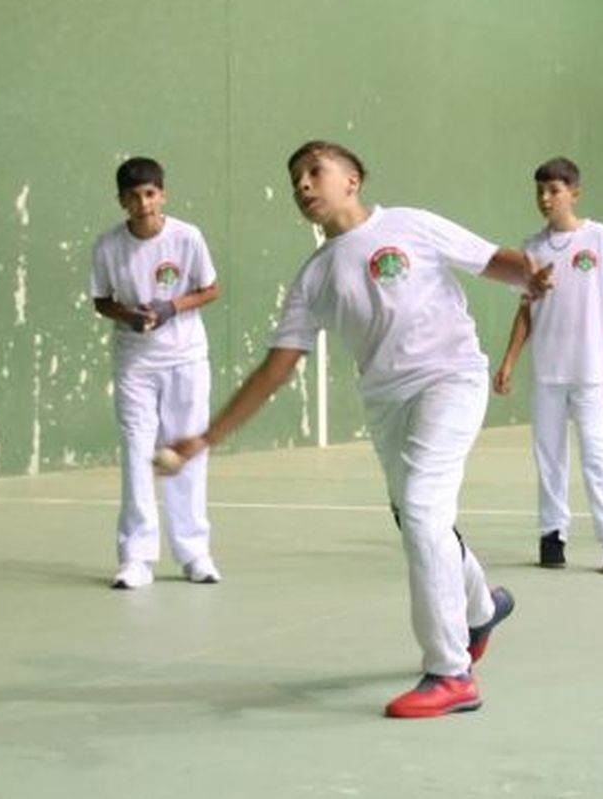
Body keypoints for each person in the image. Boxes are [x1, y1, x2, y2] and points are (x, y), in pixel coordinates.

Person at [165, 140, 551, 718]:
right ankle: (480, 606)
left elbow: (490, 259)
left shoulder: (410, 224)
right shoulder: (315, 276)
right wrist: (206, 438)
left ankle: (450, 673)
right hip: (385, 403)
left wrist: (530, 275)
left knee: (421, 511)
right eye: (295, 179)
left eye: (313, 172)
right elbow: (276, 368)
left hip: (451, 379)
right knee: (419, 519)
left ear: (353, 179)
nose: (302, 185)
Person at [493, 157, 603, 574]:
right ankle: (551, 535)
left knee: (595, 450)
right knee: (548, 454)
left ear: (574, 192)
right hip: (546, 370)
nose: (545, 199)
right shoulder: (531, 249)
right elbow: (525, 310)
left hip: (591, 368)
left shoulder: (599, 238)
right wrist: (508, 361)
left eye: (554, 191)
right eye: (540, 191)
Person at [90, 156, 222, 589]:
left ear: (162, 194)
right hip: (135, 363)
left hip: (186, 360)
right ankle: (136, 558)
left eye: (149, 193)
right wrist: (128, 315)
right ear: (121, 201)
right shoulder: (108, 246)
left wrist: (171, 307)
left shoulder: (188, 237)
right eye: (133, 196)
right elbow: (101, 300)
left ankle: (194, 553)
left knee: (187, 452)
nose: (143, 203)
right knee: (135, 452)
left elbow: (210, 289)